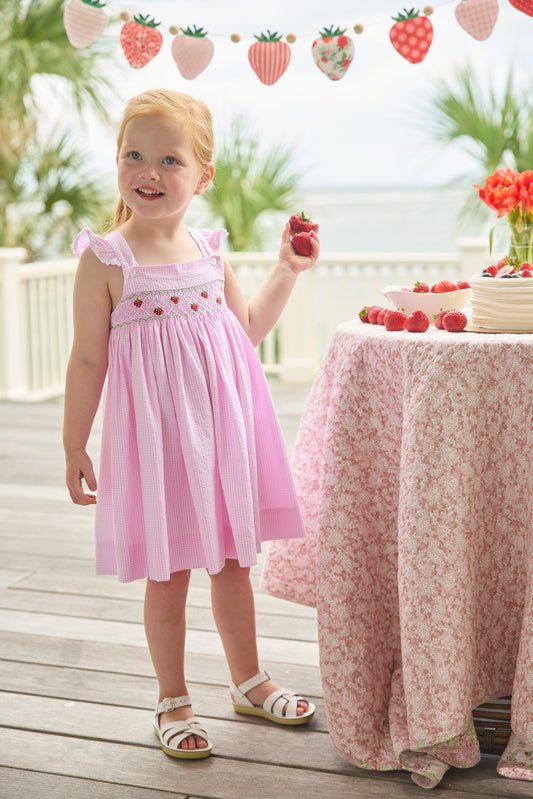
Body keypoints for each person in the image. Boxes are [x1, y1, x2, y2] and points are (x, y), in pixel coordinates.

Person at [63, 89, 320, 760]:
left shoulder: (208, 250)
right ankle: (171, 696)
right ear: (117, 163)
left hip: (221, 439)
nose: (148, 171)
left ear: (202, 176)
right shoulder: (106, 258)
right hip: (156, 447)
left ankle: (248, 680)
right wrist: (73, 441)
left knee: (234, 564)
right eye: (134, 155)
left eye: (168, 159)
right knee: (168, 573)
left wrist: (286, 271)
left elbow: (246, 333)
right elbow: (88, 358)